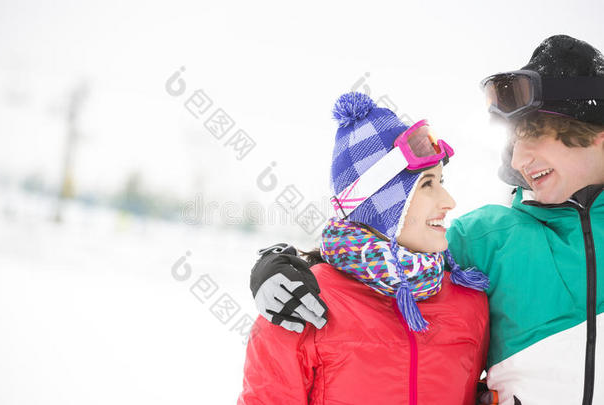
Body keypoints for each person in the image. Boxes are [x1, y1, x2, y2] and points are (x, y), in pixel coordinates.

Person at [247, 35, 604, 405]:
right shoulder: (487, 239)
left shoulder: (465, 302)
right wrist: (275, 268)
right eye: (514, 142)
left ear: (594, 133)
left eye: (533, 136)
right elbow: (384, 249)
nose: (516, 160)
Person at [238, 92, 490, 405]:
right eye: (427, 184)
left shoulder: (471, 302)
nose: (448, 201)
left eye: (442, 180)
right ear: (381, 205)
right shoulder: (301, 305)